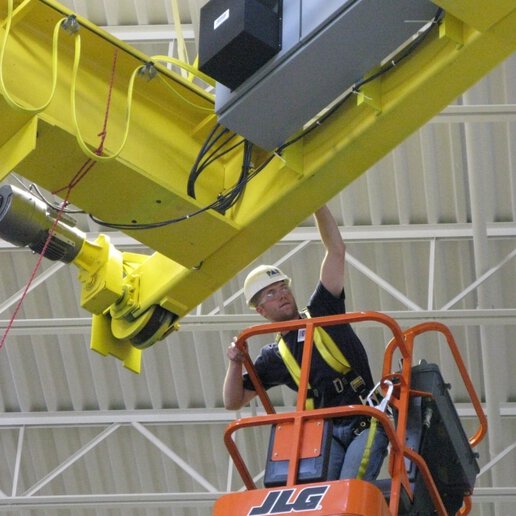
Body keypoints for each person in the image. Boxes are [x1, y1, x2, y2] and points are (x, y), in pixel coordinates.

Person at [223, 205, 388, 481]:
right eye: (271, 294)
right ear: (261, 311)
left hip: (365, 418)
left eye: (283, 288)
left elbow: (335, 250)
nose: (282, 295)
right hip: (324, 434)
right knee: (323, 496)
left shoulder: (323, 309)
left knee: (349, 488)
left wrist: (316, 204)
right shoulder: (275, 356)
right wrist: (234, 363)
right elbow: (233, 401)